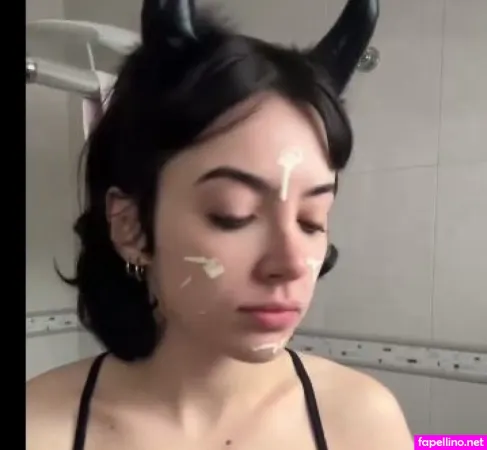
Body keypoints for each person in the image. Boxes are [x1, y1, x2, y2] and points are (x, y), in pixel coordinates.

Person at [26, 0, 413, 448]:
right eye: (233, 213)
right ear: (131, 227)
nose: (291, 263)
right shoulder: (39, 428)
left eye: (311, 220)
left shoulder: (363, 422)